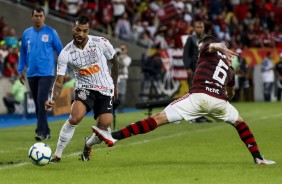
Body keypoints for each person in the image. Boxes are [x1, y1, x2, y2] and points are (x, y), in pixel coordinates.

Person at [92, 35, 275, 165]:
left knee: (158, 118)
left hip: (198, 97)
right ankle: (258, 157)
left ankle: (113, 136)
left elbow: (207, 46)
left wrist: (215, 45)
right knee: (240, 123)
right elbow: (231, 91)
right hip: (219, 101)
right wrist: (225, 97)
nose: (198, 49)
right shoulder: (230, 68)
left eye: (200, 45)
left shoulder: (206, 51)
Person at [44, 15, 119, 163]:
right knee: (75, 117)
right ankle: (57, 155)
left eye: (85, 31)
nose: (81, 34)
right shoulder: (66, 53)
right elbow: (59, 81)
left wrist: (115, 85)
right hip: (85, 89)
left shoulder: (101, 43)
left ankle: (88, 144)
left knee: (103, 131)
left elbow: (115, 61)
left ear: (88, 30)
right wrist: (52, 99)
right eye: (78, 30)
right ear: (73, 28)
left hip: (105, 88)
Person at [18, 6, 63, 141]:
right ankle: (47, 131)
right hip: (31, 73)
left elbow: (61, 52)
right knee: (39, 104)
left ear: (44, 17)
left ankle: (40, 132)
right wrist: (21, 71)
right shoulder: (26, 33)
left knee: (41, 100)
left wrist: (63, 71)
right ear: (32, 17)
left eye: (40, 16)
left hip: (46, 73)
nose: (38, 18)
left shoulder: (51, 32)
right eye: (36, 16)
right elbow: (23, 54)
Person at [183, 20, 210, 123]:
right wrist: (188, 68)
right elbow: (186, 54)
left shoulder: (207, 39)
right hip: (194, 70)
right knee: (194, 93)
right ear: (194, 29)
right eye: (197, 27)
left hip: (206, 70)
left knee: (204, 93)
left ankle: (201, 115)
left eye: (201, 27)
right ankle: (193, 116)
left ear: (204, 28)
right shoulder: (191, 39)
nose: (199, 29)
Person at [116, 43, 132, 112]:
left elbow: (125, 64)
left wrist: (119, 57)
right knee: (115, 94)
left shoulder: (128, 58)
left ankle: (120, 109)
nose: (122, 50)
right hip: (115, 77)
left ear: (126, 50)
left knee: (121, 94)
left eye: (123, 49)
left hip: (123, 77)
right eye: (121, 49)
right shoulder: (116, 56)